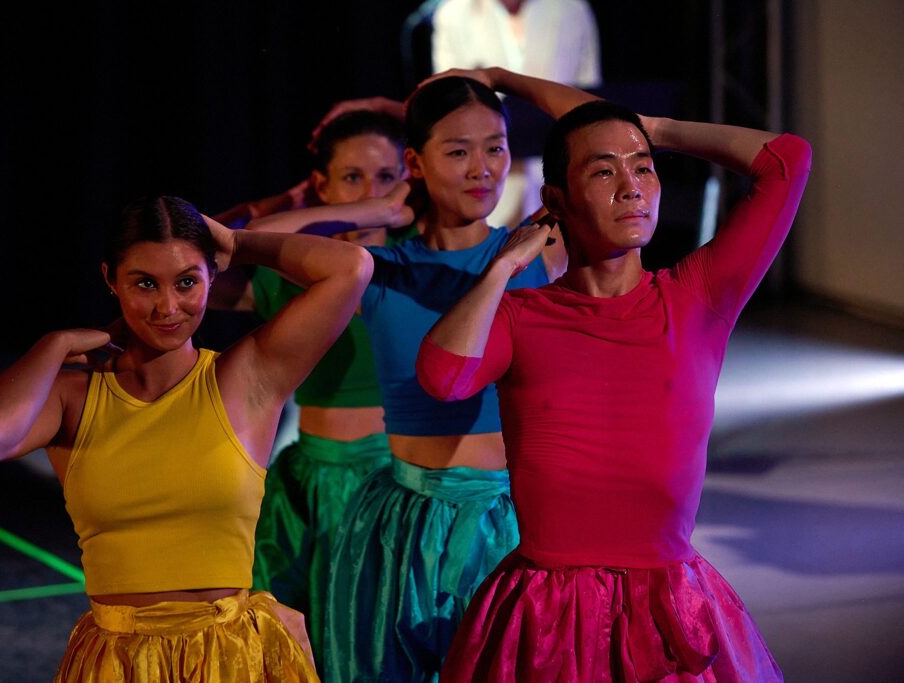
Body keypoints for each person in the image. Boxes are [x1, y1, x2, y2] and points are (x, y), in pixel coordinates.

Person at [415, 66, 810, 681]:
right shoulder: (523, 315)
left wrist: (651, 129)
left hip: (667, 612)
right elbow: (442, 378)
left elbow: (787, 159)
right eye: (603, 171)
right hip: (544, 619)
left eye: (643, 167)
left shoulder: (696, 297)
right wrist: (500, 268)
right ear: (556, 201)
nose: (631, 187)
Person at [0, 196, 374, 682]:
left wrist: (239, 242)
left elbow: (351, 268)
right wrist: (56, 344)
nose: (168, 307)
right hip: (117, 665)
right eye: (144, 283)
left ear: (211, 278)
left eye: (186, 282)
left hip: (230, 661)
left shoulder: (246, 377)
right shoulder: (73, 394)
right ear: (110, 280)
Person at [312, 74, 567, 682]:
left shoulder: (537, 250)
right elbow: (247, 245)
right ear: (415, 162)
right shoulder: (378, 269)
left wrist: (504, 80)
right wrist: (379, 208)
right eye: (457, 151)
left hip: (514, 522)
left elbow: (611, 128)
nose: (483, 168)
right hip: (404, 525)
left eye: (496, 146)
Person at [207, 110, 416, 679]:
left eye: (384, 178)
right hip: (306, 489)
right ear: (320, 186)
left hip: (395, 490)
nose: (370, 194)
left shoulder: (421, 263)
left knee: (377, 652)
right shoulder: (290, 274)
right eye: (352, 179)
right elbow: (194, 252)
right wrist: (284, 203)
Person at [430, 0, 602, 228]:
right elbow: (449, 99)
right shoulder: (453, 14)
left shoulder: (572, 9)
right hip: (489, 174)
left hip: (560, 167)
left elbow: (589, 92)